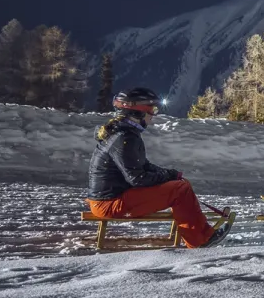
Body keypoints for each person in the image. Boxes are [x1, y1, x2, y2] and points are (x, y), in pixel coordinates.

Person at [86, 87, 232, 247]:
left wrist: (170, 174)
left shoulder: (124, 134)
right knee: (179, 190)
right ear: (138, 113)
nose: (153, 116)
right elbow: (138, 178)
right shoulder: (125, 139)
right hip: (109, 204)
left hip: (112, 198)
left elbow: (143, 166)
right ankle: (200, 240)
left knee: (182, 185)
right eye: (152, 111)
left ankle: (201, 233)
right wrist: (167, 177)